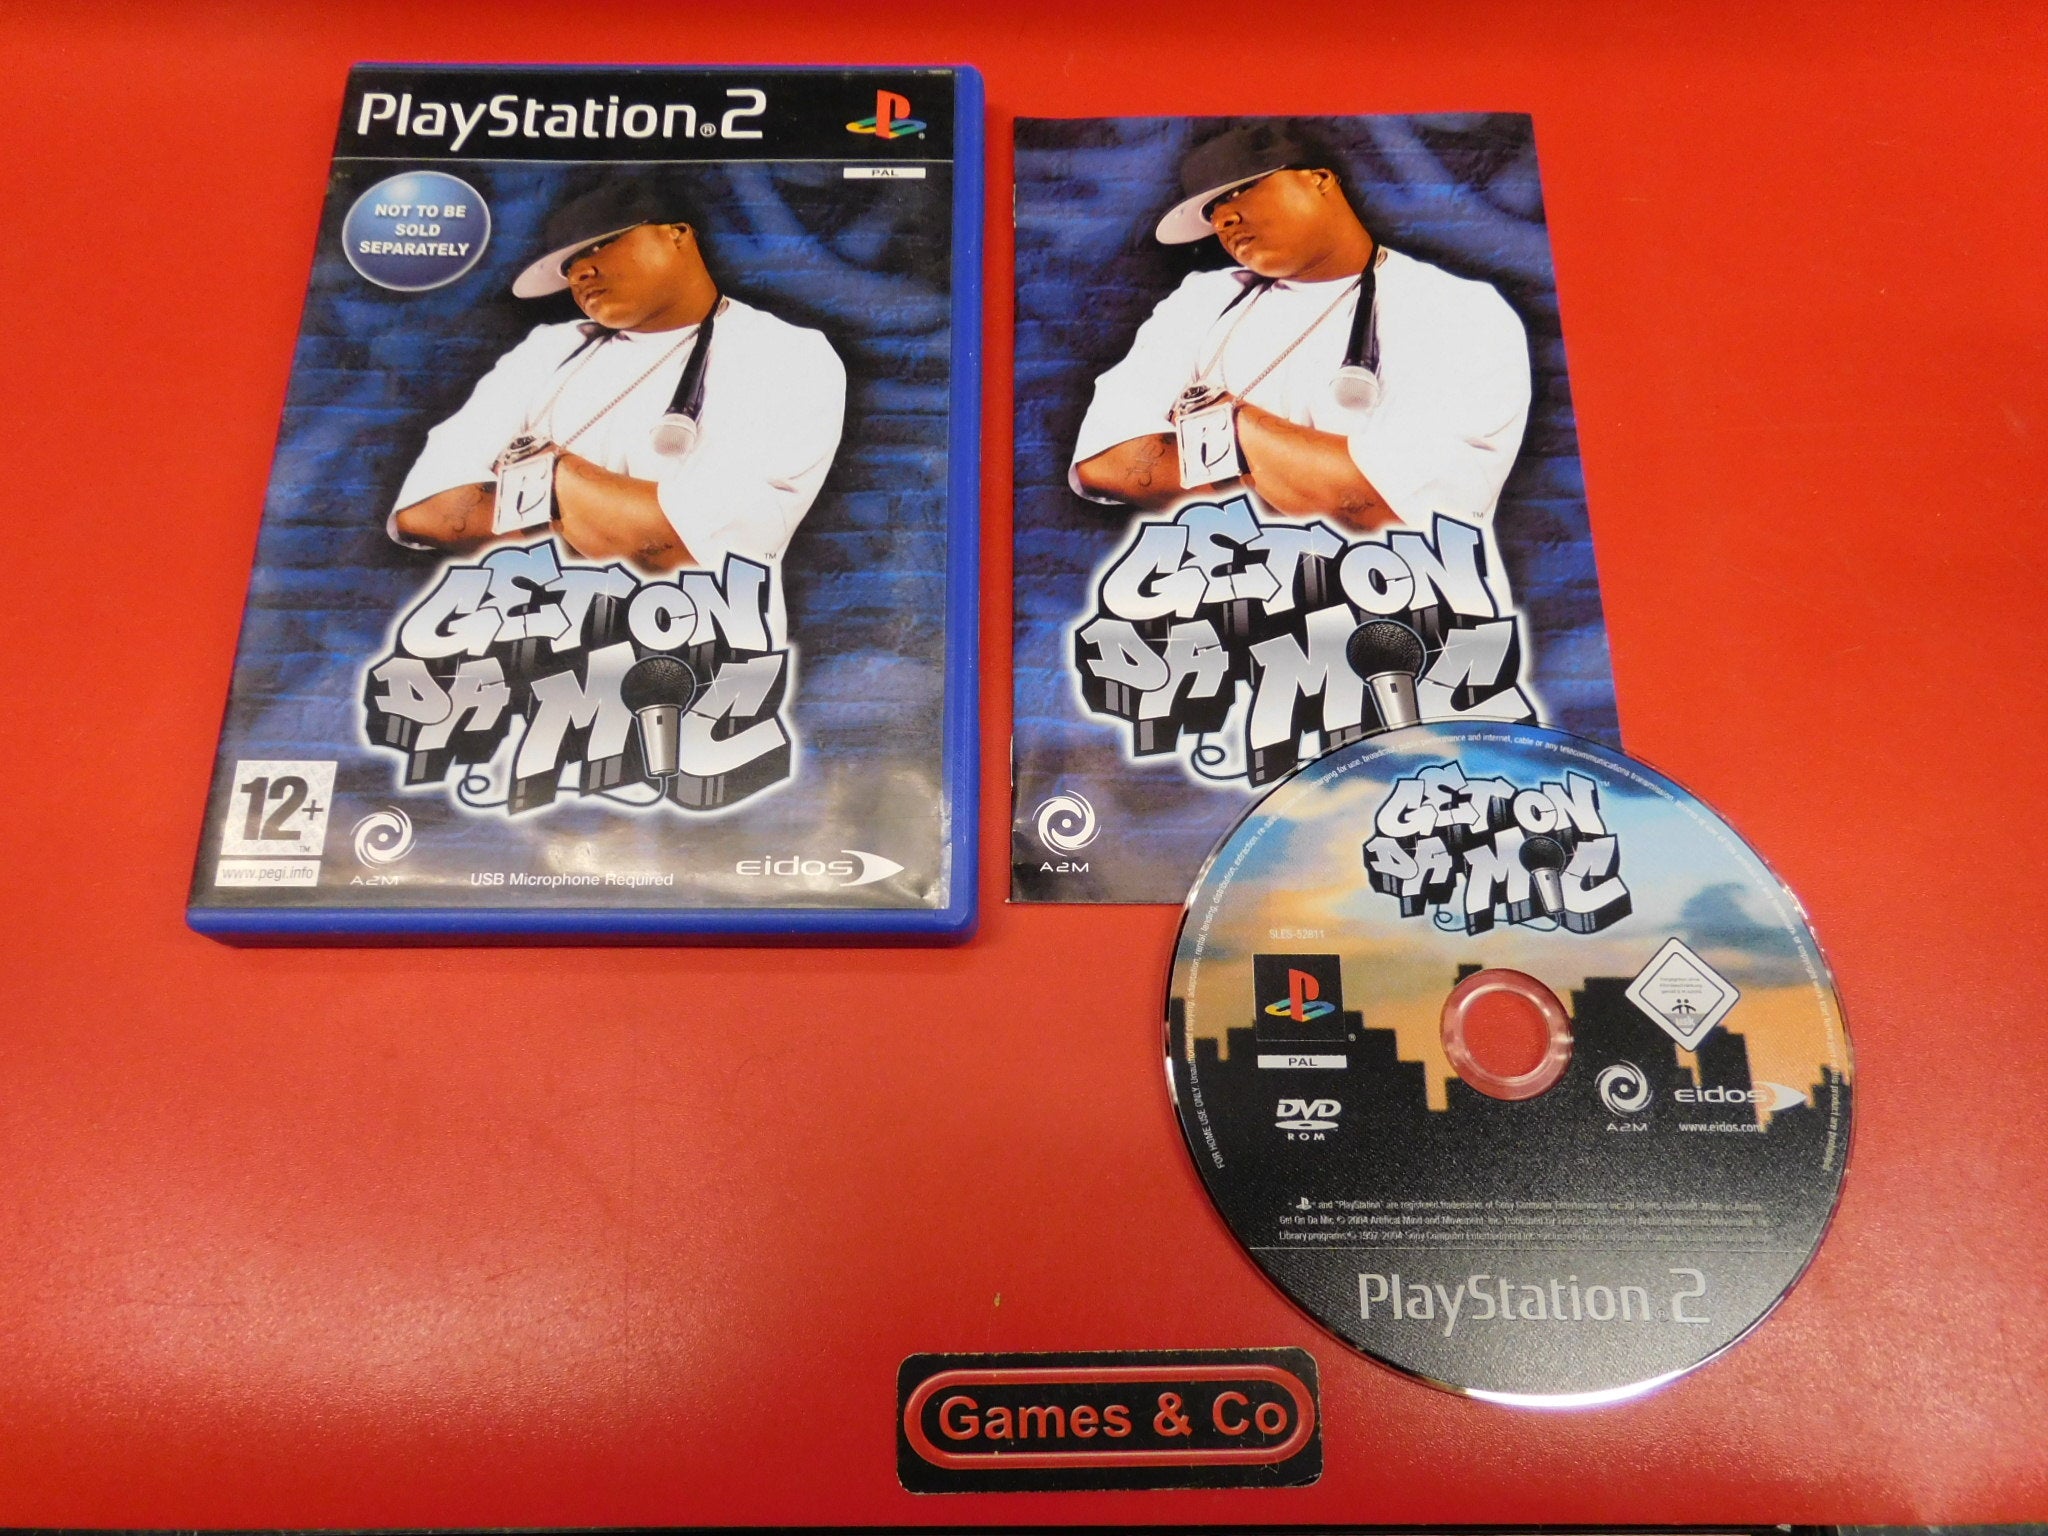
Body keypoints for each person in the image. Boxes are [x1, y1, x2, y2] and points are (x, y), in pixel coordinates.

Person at [390, 179, 846, 646]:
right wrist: (604, 514)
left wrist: (547, 469)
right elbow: (424, 510)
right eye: (568, 265)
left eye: (600, 245)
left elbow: (686, 549)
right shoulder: (549, 348)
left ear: (677, 234)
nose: (580, 273)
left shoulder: (784, 353)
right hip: (525, 664)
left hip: (693, 664)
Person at [1071, 121, 1530, 533]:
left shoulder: (1456, 309)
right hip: (1221, 591)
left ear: (1319, 179)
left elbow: (1390, 508)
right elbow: (1105, 460)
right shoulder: (1203, 299)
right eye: (1213, 210)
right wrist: (1314, 477)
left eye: (1240, 189)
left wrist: (1228, 417)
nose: (1223, 219)